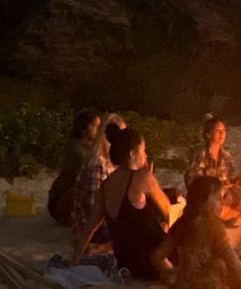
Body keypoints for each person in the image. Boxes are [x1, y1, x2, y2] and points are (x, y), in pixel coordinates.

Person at [151, 176, 241, 289]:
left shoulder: (182, 224)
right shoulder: (214, 227)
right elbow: (233, 262)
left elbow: (157, 257)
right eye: (219, 199)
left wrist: (173, 271)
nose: (222, 204)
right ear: (204, 200)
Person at [72, 126, 170, 279]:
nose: (145, 155)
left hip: (127, 264)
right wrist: (149, 175)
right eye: (143, 151)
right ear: (132, 154)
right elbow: (167, 209)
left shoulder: (105, 186)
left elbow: (88, 231)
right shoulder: (142, 177)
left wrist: (74, 260)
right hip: (153, 262)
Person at [185, 115, 241, 219]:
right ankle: (233, 216)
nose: (222, 134)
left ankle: (237, 217)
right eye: (217, 130)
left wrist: (238, 181)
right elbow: (192, 185)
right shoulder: (201, 155)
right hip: (209, 204)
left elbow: (228, 183)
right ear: (208, 134)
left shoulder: (226, 156)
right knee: (222, 210)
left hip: (227, 199)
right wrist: (215, 193)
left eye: (224, 130)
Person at [71, 112, 126, 243]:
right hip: (92, 233)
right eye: (120, 136)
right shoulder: (97, 167)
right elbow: (93, 214)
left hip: (99, 226)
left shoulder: (110, 164)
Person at [48, 108, 101, 226]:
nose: (98, 131)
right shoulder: (79, 151)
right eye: (96, 126)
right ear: (85, 128)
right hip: (60, 206)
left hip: (60, 202)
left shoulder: (85, 149)